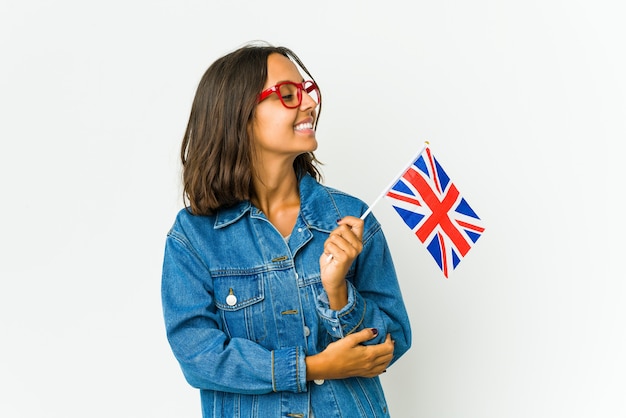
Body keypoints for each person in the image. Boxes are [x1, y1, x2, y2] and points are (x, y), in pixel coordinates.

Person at [161, 41, 412, 418]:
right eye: (288, 95)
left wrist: (338, 293)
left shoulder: (348, 217)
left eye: (307, 92)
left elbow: (392, 343)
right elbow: (199, 356)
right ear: (240, 114)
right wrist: (313, 367)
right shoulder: (194, 237)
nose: (309, 105)